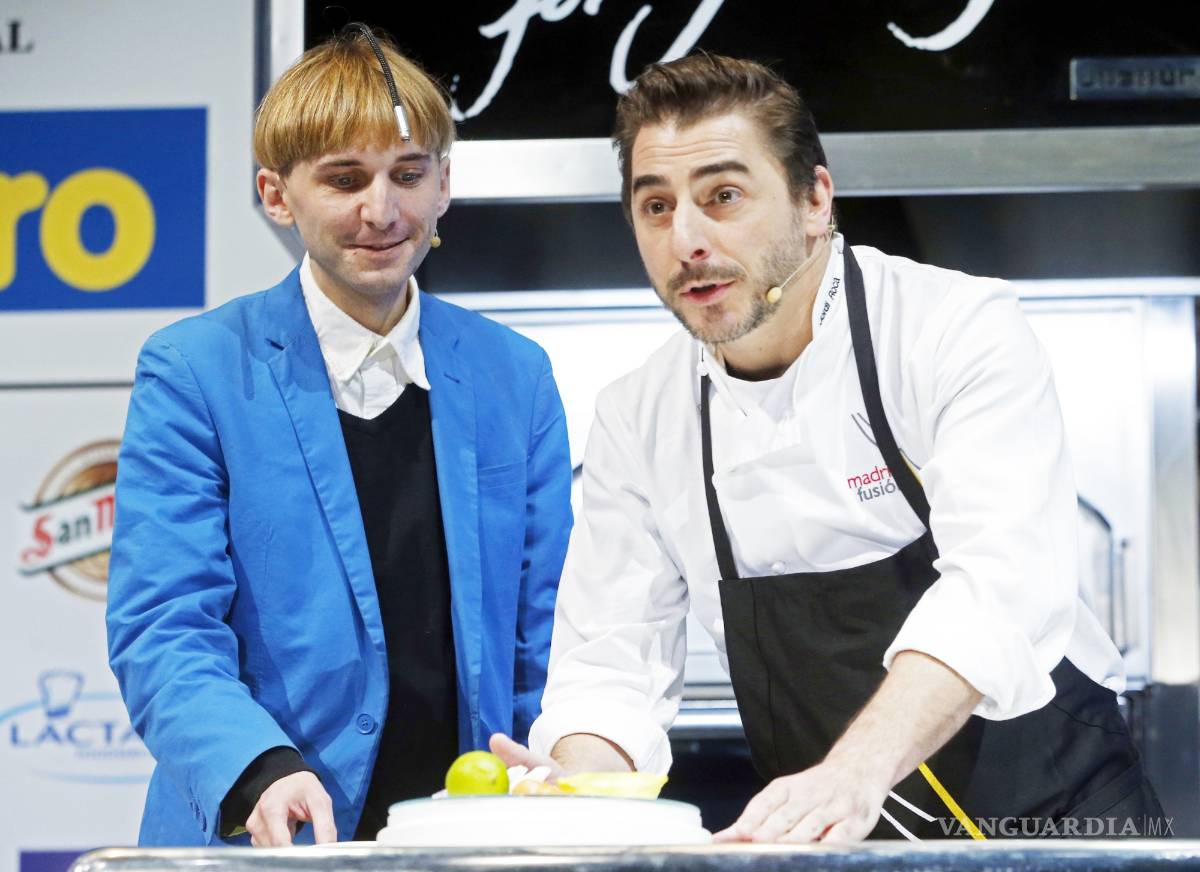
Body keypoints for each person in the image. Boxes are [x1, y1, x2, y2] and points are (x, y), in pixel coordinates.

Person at [491, 53, 1164, 842]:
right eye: (656, 207)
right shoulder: (641, 416)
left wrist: (855, 772)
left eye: (724, 196)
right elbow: (610, 661)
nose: (688, 241)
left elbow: (1002, 587)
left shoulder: (953, 330)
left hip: (1060, 827)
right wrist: (581, 779)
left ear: (816, 200)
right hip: (842, 842)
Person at [107, 26, 572, 848]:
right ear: (277, 195)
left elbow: (550, 628)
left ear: (444, 186)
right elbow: (164, 626)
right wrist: (255, 768)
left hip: (472, 841)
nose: (381, 211)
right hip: (264, 842)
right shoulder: (195, 370)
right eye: (345, 179)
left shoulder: (516, 374)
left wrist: (560, 758)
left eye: (408, 174)